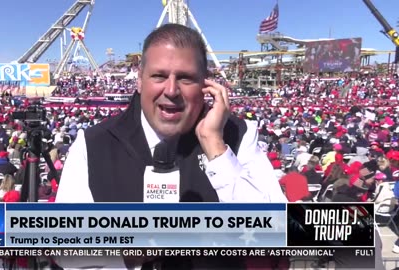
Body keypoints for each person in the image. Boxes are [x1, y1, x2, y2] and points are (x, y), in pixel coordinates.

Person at [56, 24, 286, 269]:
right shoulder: (93, 144)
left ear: (205, 85)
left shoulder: (238, 135)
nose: (171, 90)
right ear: (140, 80)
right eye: (159, 76)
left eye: (185, 78)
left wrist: (216, 148)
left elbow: (279, 232)